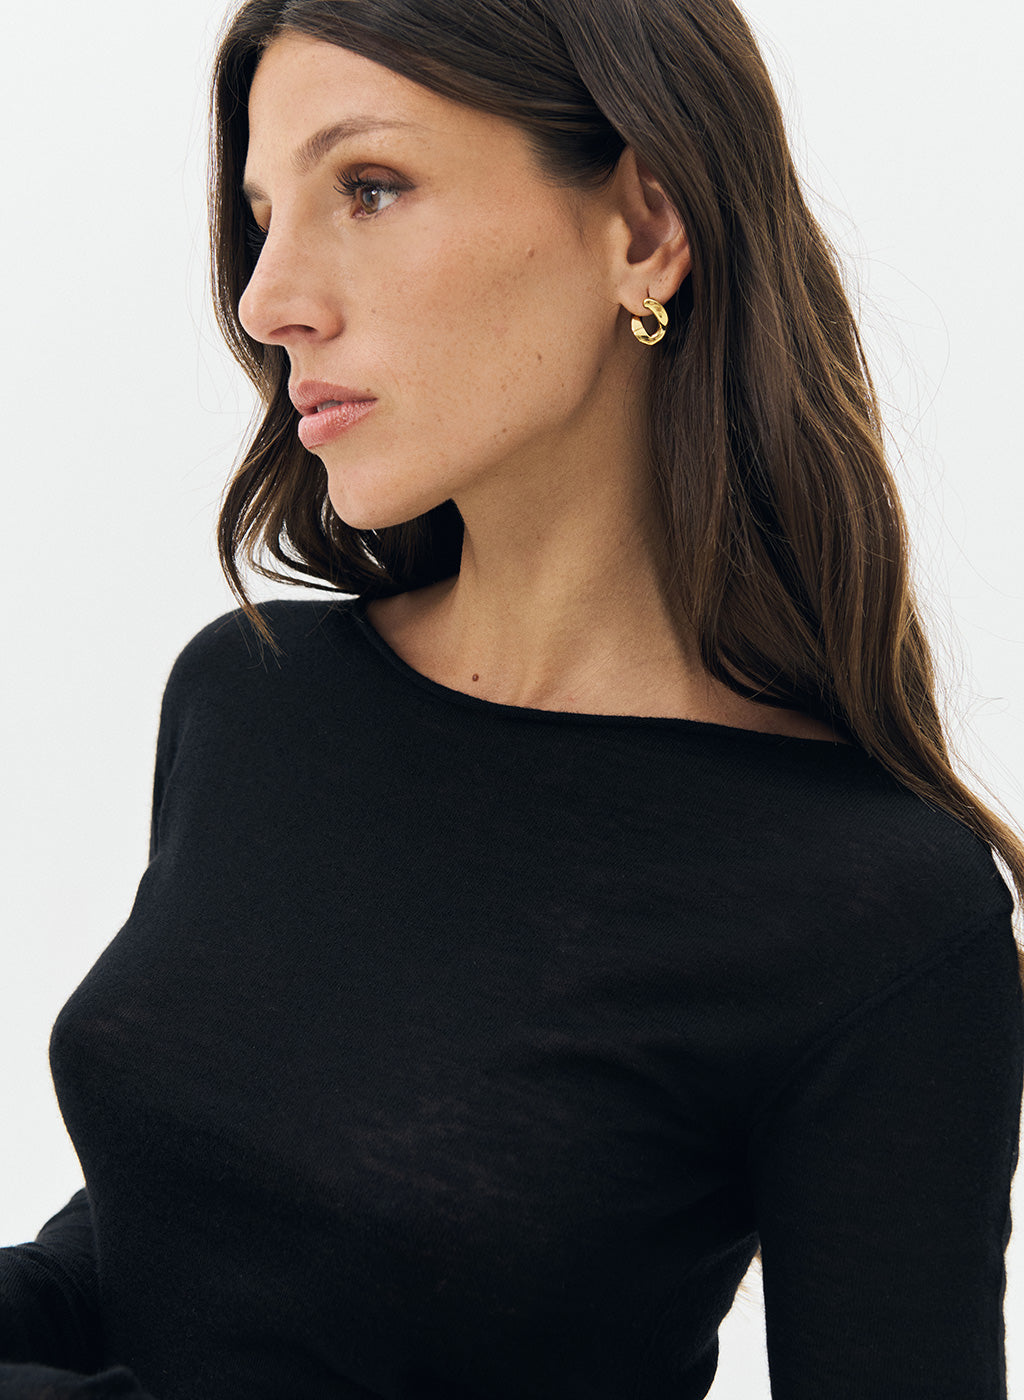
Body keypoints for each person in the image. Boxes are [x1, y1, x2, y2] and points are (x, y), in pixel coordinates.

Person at [2, 0, 1022, 1396]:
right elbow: (155, 1256)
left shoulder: (876, 910)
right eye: (262, 215)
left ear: (645, 229)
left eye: (369, 187)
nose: (266, 298)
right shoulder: (254, 699)